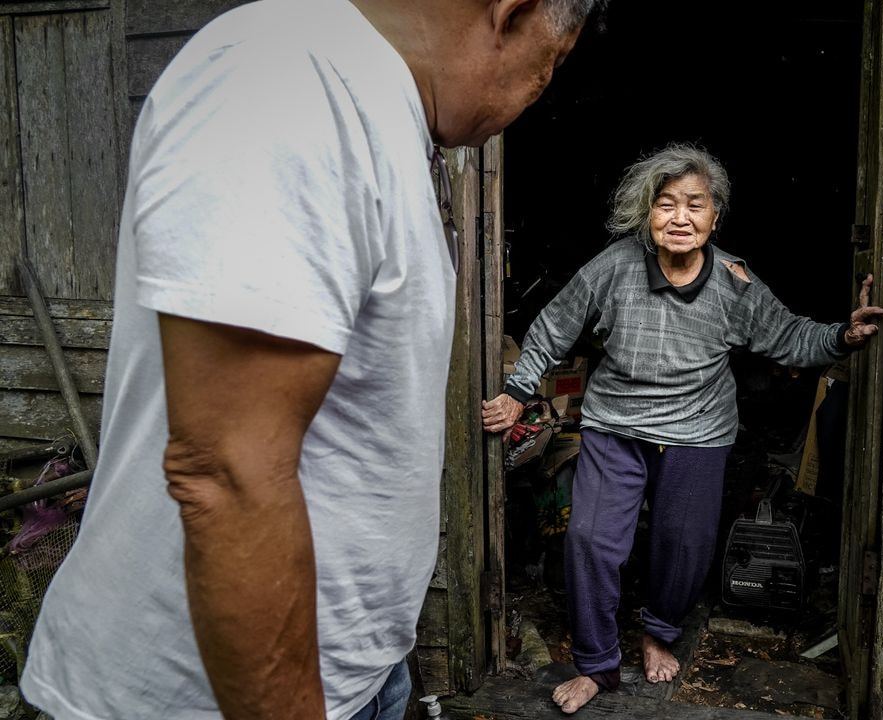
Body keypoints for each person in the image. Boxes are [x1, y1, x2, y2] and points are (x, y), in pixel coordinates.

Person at [21, 0, 597, 718]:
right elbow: (228, 469)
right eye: (552, 62)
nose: (539, 88)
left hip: (348, 671)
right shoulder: (290, 82)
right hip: (206, 698)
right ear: (513, 10)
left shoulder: (384, 111)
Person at [481, 144, 883, 714]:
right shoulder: (615, 265)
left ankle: (658, 631)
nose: (680, 218)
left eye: (694, 206)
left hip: (699, 429)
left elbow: (789, 335)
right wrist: (518, 393)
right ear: (647, 214)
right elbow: (554, 326)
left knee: (685, 546)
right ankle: (597, 665)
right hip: (615, 424)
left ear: (714, 217)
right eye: (666, 205)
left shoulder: (734, 281)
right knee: (591, 541)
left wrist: (842, 336)